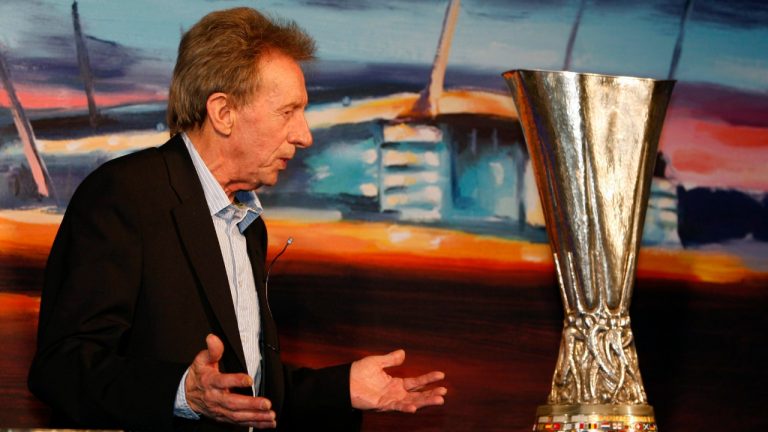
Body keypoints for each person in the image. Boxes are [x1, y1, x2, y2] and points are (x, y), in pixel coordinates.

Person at [28, 7, 446, 431]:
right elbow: (62, 369)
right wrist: (181, 393)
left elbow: (248, 395)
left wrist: (342, 389)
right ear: (223, 113)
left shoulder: (247, 224)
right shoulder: (124, 195)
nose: (304, 135)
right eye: (288, 112)